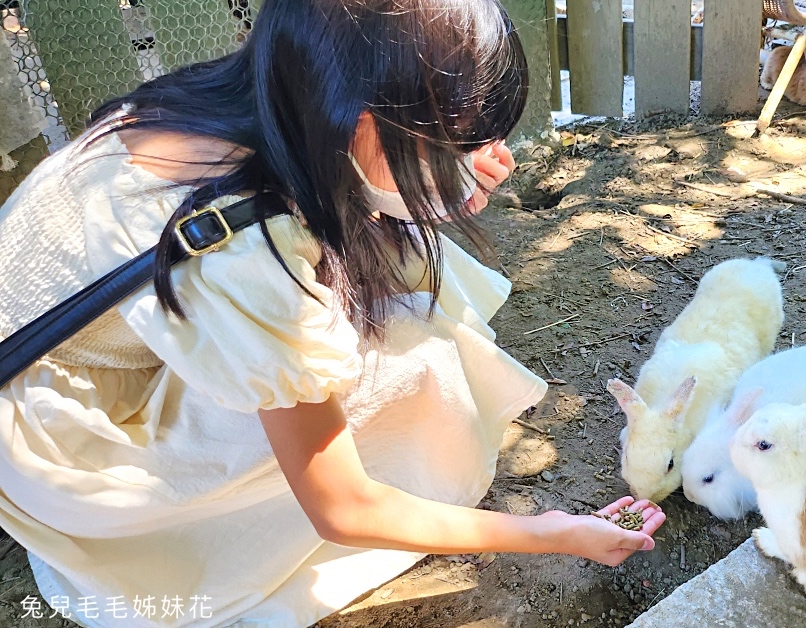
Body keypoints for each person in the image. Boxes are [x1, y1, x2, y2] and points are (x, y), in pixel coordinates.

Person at [0, 1, 665, 626]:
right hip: (63, 450)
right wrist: (550, 534)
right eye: (467, 139)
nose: (500, 160)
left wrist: (431, 181)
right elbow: (343, 507)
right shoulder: (245, 251)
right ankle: (164, 556)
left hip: (79, 355)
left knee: (401, 270)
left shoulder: (243, 104)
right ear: (364, 125)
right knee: (414, 360)